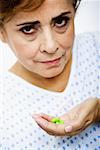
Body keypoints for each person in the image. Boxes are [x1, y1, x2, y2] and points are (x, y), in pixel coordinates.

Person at [0, 0, 100, 149]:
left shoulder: (96, 45)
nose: (51, 46)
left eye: (61, 21)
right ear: (2, 32)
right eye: (28, 29)